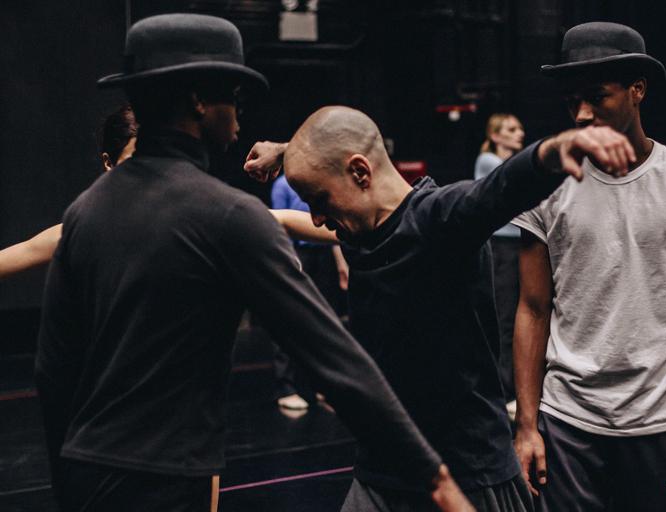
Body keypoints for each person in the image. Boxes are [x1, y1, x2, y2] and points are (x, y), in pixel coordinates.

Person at [34, 14, 472, 511]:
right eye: (233, 98)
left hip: (86, 472)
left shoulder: (86, 210)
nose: (240, 118)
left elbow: (53, 369)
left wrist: (67, 481)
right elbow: (332, 355)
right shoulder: (228, 216)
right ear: (199, 102)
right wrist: (434, 475)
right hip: (165, 481)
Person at [243, 105, 637, 511]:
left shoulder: (439, 220)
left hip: (467, 473)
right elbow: (331, 156)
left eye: (320, 200)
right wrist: (287, 155)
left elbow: (498, 190)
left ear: (361, 173)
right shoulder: (365, 229)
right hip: (383, 470)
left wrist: (555, 150)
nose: (317, 218)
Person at [510, 22, 666, 511]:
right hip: (569, 422)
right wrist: (526, 426)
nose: (582, 114)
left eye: (597, 97)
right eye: (573, 101)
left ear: (637, 90)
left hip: (658, 419)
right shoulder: (545, 184)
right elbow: (533, 308)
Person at [0, 106, 137, 280]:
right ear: (109, 163)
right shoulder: (88, 232)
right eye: (134, 163)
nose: (146, 173)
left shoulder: (171, 221)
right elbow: (24, 252)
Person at [270, 173, 348, 410]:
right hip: (297, 254)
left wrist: (341, 263)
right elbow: (278, 227)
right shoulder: (282, 185)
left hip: (322, 253)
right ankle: (286, 388)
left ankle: (322, 384)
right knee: (288, 318)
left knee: (324, 318)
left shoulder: (317, 181)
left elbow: (332, 223)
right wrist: (288, 260)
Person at [474, 113, 526, 420]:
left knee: (520, 317)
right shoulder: (488, 161)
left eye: (519, 128)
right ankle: (504, 393)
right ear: (495, 135)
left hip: (518, 245)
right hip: (500, 246)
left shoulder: (509, 163)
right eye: (511, 129)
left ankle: (515, 388)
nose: (519, 133)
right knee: (504, 319)